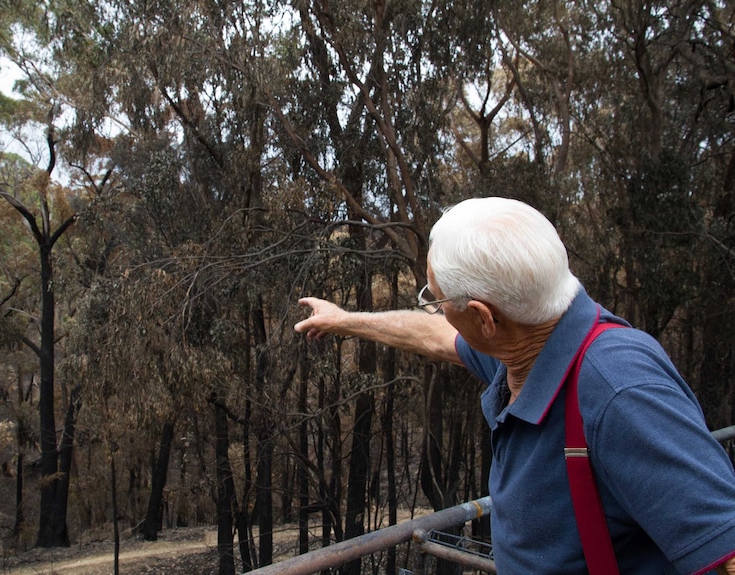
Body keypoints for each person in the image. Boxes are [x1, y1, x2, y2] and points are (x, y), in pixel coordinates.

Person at [294, 197, 735, 574]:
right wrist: (345, 320)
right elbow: (434, 336)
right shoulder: (528, 348)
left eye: (435, 298)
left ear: (485, 318)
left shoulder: (620, 391)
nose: (433, 309)